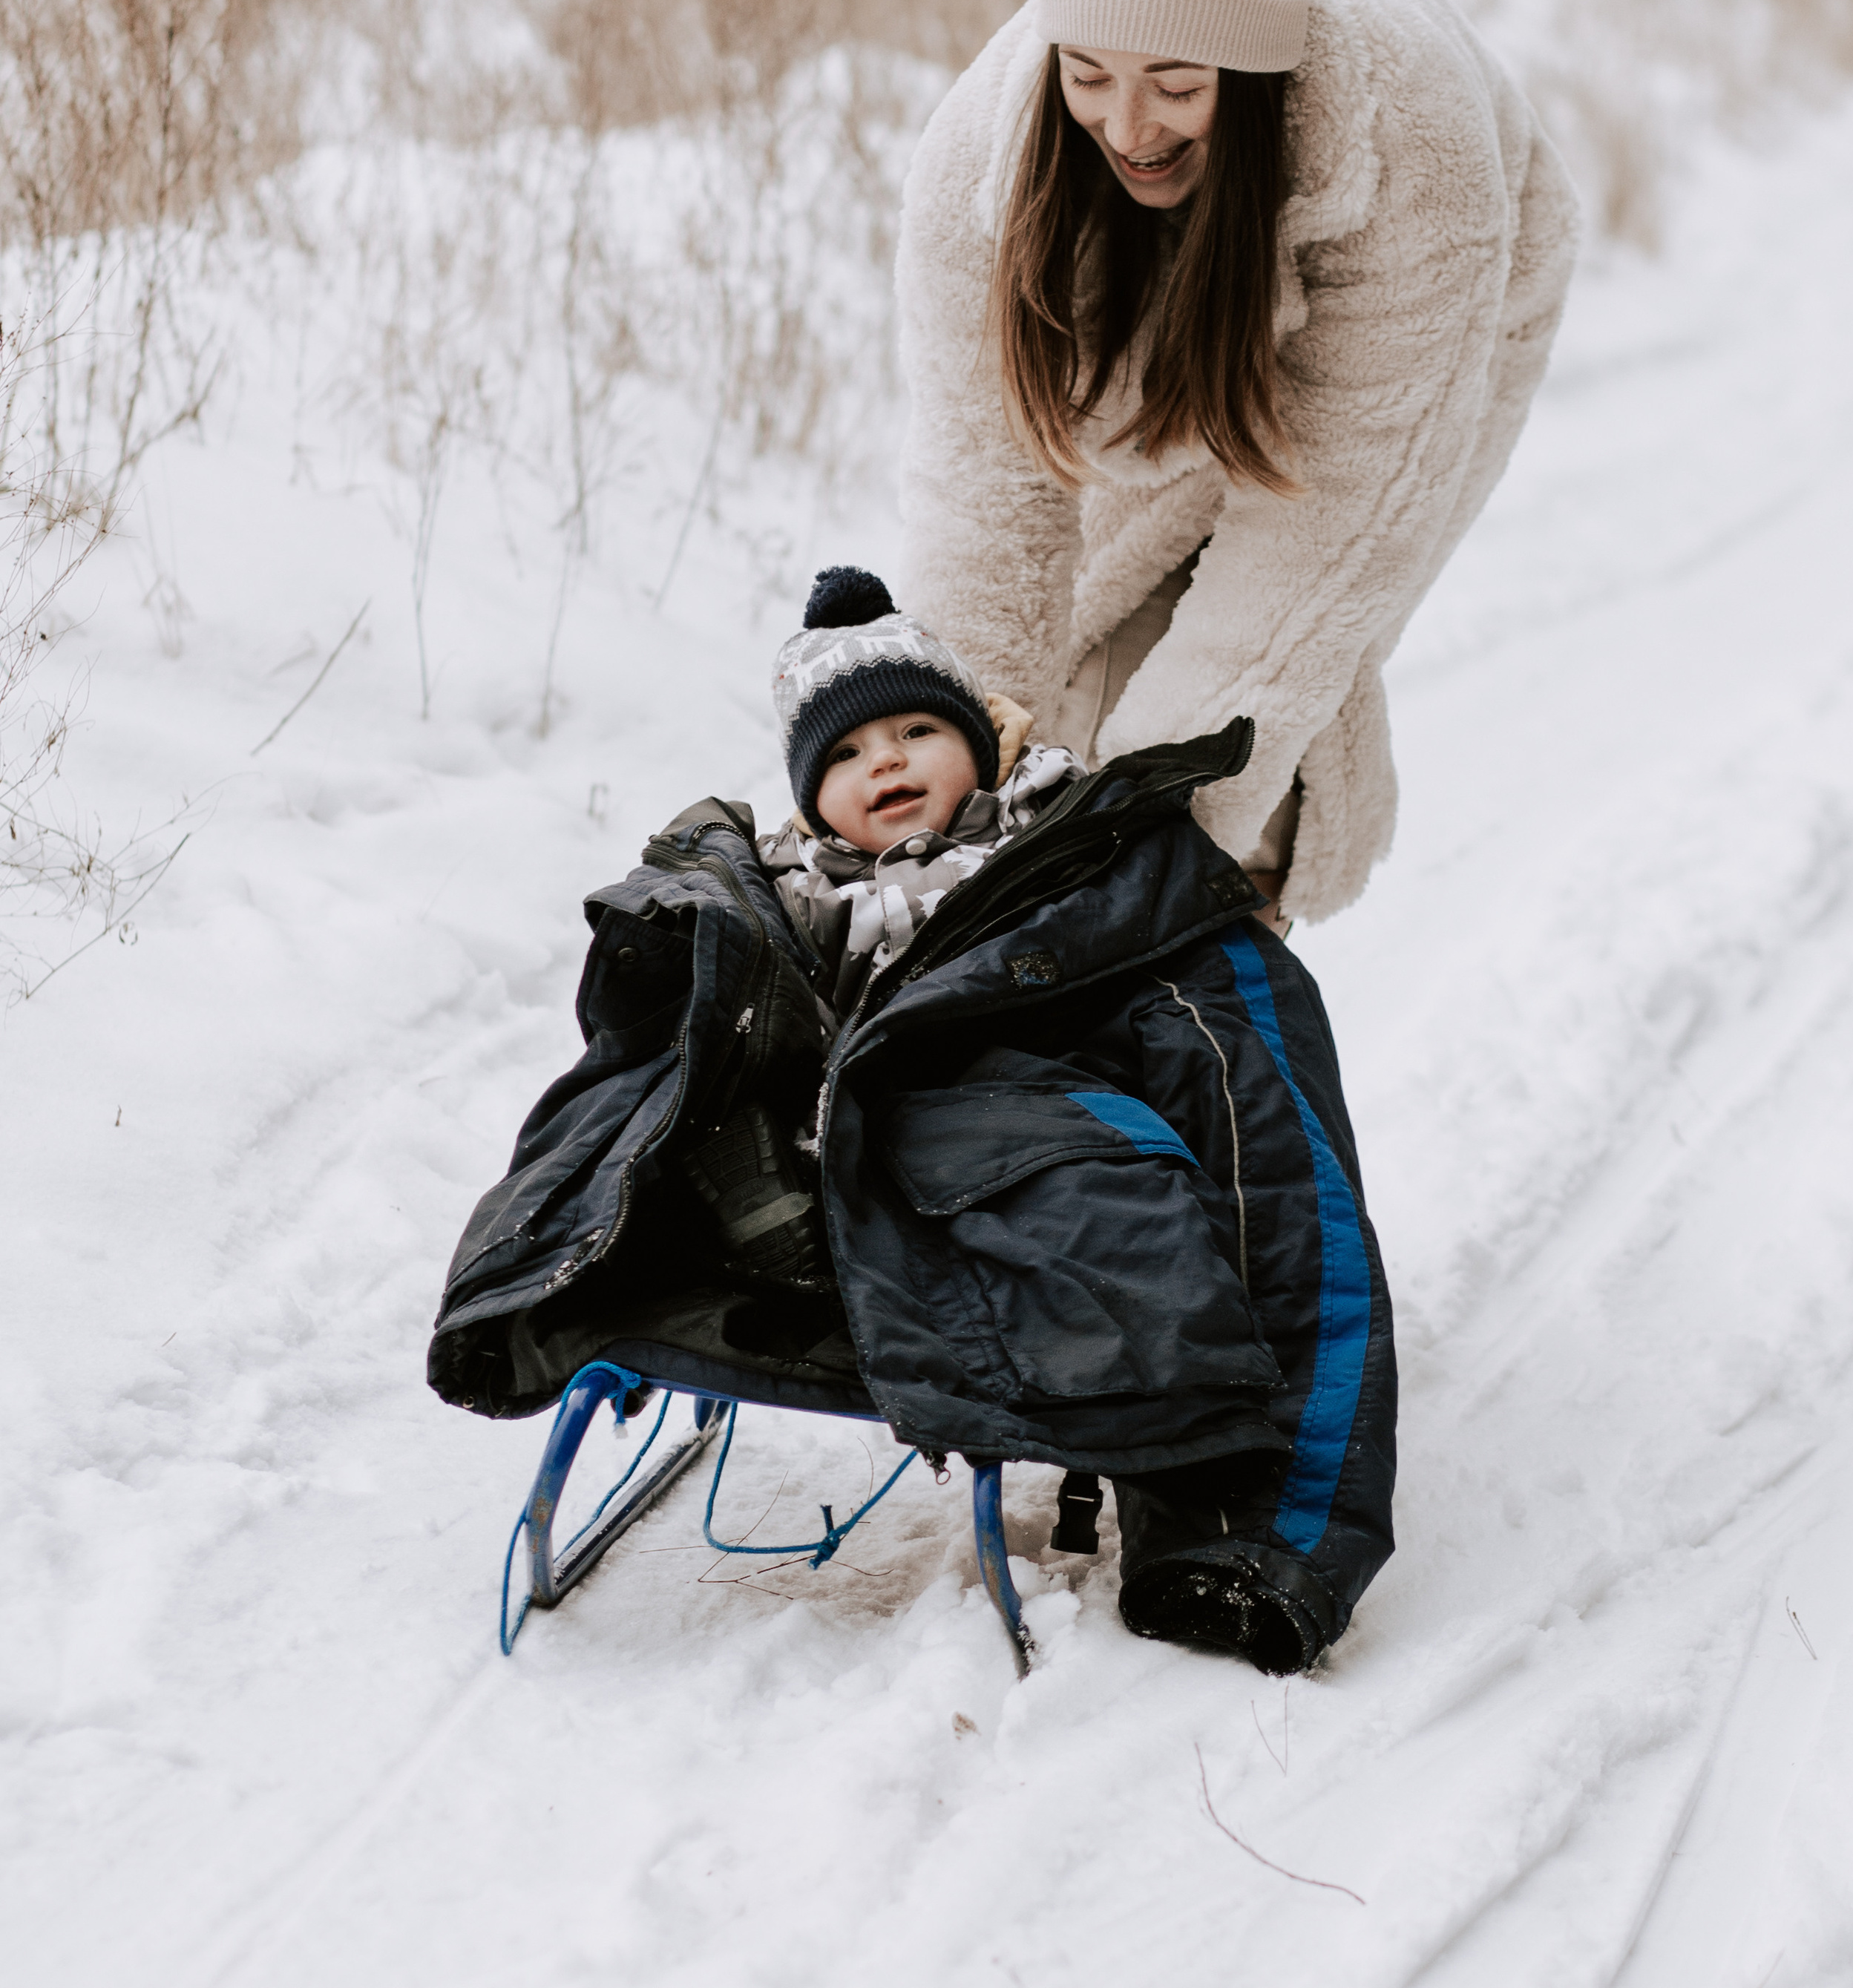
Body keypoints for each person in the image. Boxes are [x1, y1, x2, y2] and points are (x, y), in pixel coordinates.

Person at [429, 565, 1398, 1682]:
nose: (881, 761)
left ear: (983, 747)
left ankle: (1225, 1509)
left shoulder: (1097, 887)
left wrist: (1269, 1545)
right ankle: (575, 1287)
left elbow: (1277, 1181)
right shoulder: (779, 910)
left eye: (916, 729)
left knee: (1127, 1180)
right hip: (810, 1214)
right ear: (808, 797)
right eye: (843, 754)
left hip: (1026, 1218)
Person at [896, 0, 1581, 927]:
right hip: (1166, 279)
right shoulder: (982, 166)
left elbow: (1329, 539)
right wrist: (949, 809)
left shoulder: (1416, 155)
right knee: (1067, 684)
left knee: (1261, 702)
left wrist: (1160, 853)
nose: (1127, 125)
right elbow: (989, 506)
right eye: (1091, 77)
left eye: (1177, 85)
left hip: (1463, 286)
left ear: (1254, 77)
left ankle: (1226, 965)